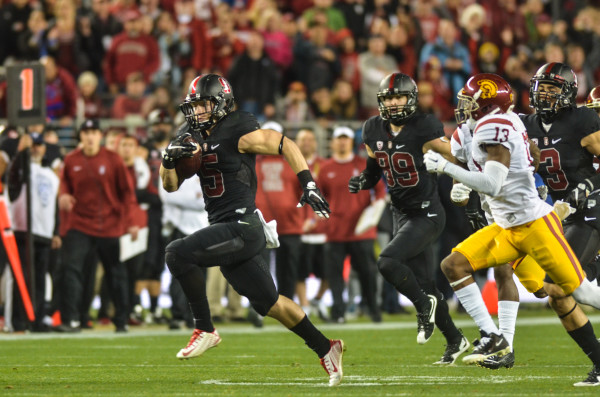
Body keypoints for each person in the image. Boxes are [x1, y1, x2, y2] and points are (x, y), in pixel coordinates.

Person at [159, 73, 344, 386]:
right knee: (268, 303)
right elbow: (170, 185)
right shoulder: (189, 133)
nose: (198, 111)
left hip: (243, 225)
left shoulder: (238, 127)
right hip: (225, 227)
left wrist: (308, 183)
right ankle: (326, 347)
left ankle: (204, 328)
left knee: (177, 253)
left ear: (222, 102)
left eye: (204, 104)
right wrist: (167, 160)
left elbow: (285, 144)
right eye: (195, 105)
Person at [424, 73, 600, 387]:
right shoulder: (473, 131)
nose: (462, 105)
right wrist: (460, 183)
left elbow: (492, 181)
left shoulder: (497, 127)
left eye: (469, 100)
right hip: (506, 227)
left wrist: (445, 168)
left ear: (487, 104)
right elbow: (529, 152)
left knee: (575, 292)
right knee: (453, 265)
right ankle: (495, 338)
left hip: (534, 225)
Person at [349, 72, 468, 365]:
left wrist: (461, 182)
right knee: (427, 284)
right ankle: (455, 340)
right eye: (388, 98)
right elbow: (375, 166)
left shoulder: (424, 126)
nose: (393, 102)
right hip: (399, 212)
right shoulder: (373, 128)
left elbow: (454, 156)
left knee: (387, 261)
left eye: (399, 96)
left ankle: (421, 307)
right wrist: (364, 179)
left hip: (427, 213)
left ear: (411, 98)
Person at [57, 119, 139, 333]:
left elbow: (127, 193)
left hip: (109, 224)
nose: (90, 136)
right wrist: (64, 195)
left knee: (115, 273)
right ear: (81, 137)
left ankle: (121, 319)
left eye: (93, 132)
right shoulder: (71, 160)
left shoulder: (113, 159)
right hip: (80, 223)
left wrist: (131, 222)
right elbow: (64, 184)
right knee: (71, 268)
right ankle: (72, 319)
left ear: (99, 136)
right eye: (86, 133)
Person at [318, 126, 384, 323]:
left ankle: (373, 309)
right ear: (333, 142)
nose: (342, 142)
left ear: (351, 141)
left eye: (345, 138)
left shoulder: (363, 164)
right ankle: (338, 312)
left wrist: (375, 209)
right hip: (335, 231)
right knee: (335, 275)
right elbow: (320, 196)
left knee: (367, 273)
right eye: (339, 138)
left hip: (361, 231)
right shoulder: (326, 168)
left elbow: (380, 190)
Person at [7, 131, 60, 332]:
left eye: (39, 145)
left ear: (44, 148)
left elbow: (53, 204)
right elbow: (12, 177)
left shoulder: (51, 175)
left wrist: (55, 231)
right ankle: (17, 321)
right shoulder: (21, 168)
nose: (36, 149)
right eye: (33, 145)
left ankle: (35, 319)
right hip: (22, 231)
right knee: (21, 279)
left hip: (44, 234)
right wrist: (21, 152)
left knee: (39, 281)